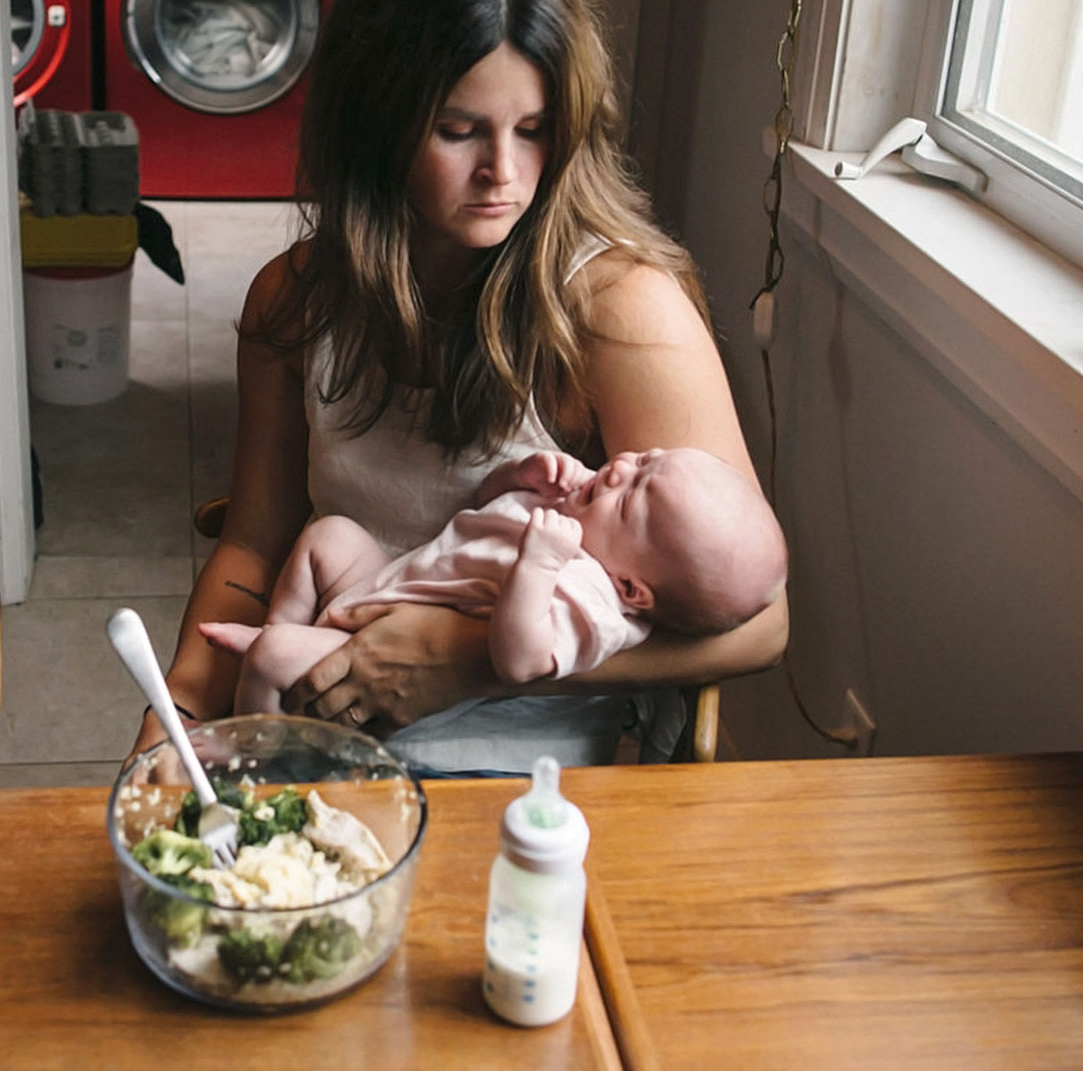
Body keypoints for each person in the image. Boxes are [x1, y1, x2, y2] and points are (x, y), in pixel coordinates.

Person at [134, 0, 786, 773]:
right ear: (377, 122)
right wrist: (173, 719)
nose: (502, 174)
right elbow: (250, 547)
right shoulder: (294, 299)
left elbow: (761, 626)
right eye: (458, 129)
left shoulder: (620, 310)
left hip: (523, 772)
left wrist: (464, 657)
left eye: (534, 129)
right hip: (317, 731)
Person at [201, 447, 787, 713]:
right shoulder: (570, 510)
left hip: (370, 643)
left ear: (633, 588)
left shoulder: (591, 602)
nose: (620, 469)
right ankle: (280, 630)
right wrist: (517, 475)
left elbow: (519, 660)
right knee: (330, 535)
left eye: (631, 498)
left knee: (277, 656)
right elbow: (477, 514)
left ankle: (256, 748)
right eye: (645, 461)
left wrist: (538, 566)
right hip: (386, 582)